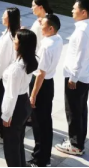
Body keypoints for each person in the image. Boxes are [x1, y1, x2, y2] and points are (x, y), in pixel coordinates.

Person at [56, 0, 89, 157]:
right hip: (85, 75)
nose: (72, 11)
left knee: (73, 111)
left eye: (75, 9)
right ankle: (78, 139)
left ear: (83, 12)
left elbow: (80, 55)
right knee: (80, 110)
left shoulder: (82, 31)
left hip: (77, 78)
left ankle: (75, 145)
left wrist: (73, 77)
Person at [29, 15, 63, 168]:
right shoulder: (58, 39)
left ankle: (40, 160)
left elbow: (40, 73)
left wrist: (33, 95)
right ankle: (44, 156)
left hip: (41, 85)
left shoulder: (47, 46)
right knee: (45, 123)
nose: (40, 27)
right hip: (49, 83)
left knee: (39, 124)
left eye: (42, 24)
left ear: (51, 28)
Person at [1, 29, 39, 168]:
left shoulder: (16, 68)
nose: (14, 41)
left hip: (16, 106)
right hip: (23, 102)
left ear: (21, 44)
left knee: (11, 146)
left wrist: (6, 115)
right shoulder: (28, 61)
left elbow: (11, 94)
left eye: (16, 39)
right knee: (18, 142)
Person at [0, 7, 21, 142]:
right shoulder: (11, 34)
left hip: (4, 77)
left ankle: (3, 131)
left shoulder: (8, 39)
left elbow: (2, 62)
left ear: (9, 19)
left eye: (4, 15)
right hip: (7, 76)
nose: (2, 17)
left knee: (1, 105)